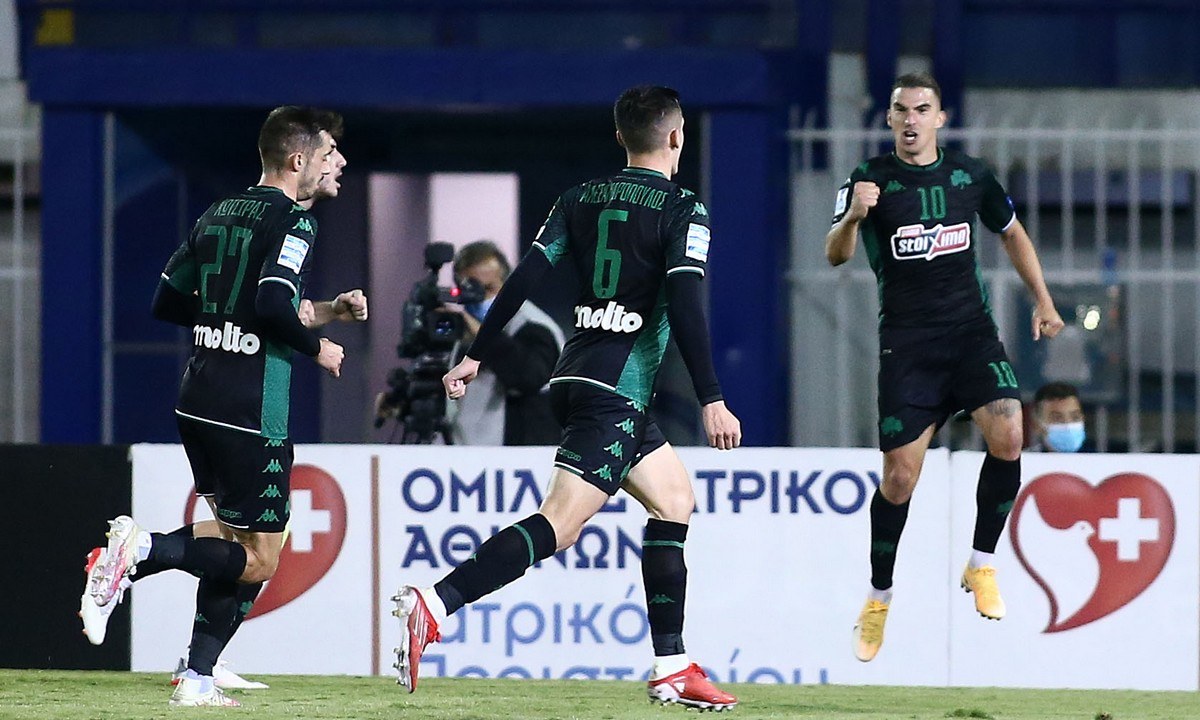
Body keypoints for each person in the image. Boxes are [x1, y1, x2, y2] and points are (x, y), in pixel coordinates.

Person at [391, 85, 742, 711]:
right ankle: (435, 605)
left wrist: (476, 353)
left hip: (577, 375)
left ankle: (672, 665)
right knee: (559, 523)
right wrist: (711, 397)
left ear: (620, 136)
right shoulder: (684, 208)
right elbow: (687, 304)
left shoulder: (579, 197)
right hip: (615, 389)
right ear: (676, 137)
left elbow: (524, 278)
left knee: (674, 501)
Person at [79, 106, 355, 707]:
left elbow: (167, 300)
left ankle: (198, 674)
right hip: (253, 407)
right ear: (297, 159)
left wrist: (245, 321)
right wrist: (319, 348)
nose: (334, 164)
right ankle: (140, 551)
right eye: (325, 154)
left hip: (200, 396)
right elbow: (273, 303)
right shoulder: (295, 221)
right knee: (261, 560)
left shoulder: (219, 210)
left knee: (235, 540)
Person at [825, 72, 1065, 663]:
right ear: (889, 119)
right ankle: (879, 598)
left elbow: (1012, 233)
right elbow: (834, 255)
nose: (911, 120)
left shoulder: (970, 175)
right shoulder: (868, 180)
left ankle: (981, 562)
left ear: (940, 118)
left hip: (970, 335)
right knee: (899, 479)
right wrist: (853, 217)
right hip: (908, 346)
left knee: (1010, 433)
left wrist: (1043, 300)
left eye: (921, 109)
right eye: (901, 110)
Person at [440, 240, 564, 445]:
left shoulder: (534, 326)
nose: (481, 298)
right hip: (467, 447)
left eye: (490, 288)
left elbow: (530, 377)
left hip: (518, 453)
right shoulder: (458, 327)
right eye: (472, 289)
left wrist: (484, 335)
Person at [1029, 381, 1087, 452]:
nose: (1068, 425)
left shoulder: (1098, 457)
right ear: (1036, 425)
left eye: (1075, 417)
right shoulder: (1025, 458)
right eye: (1057, 418)